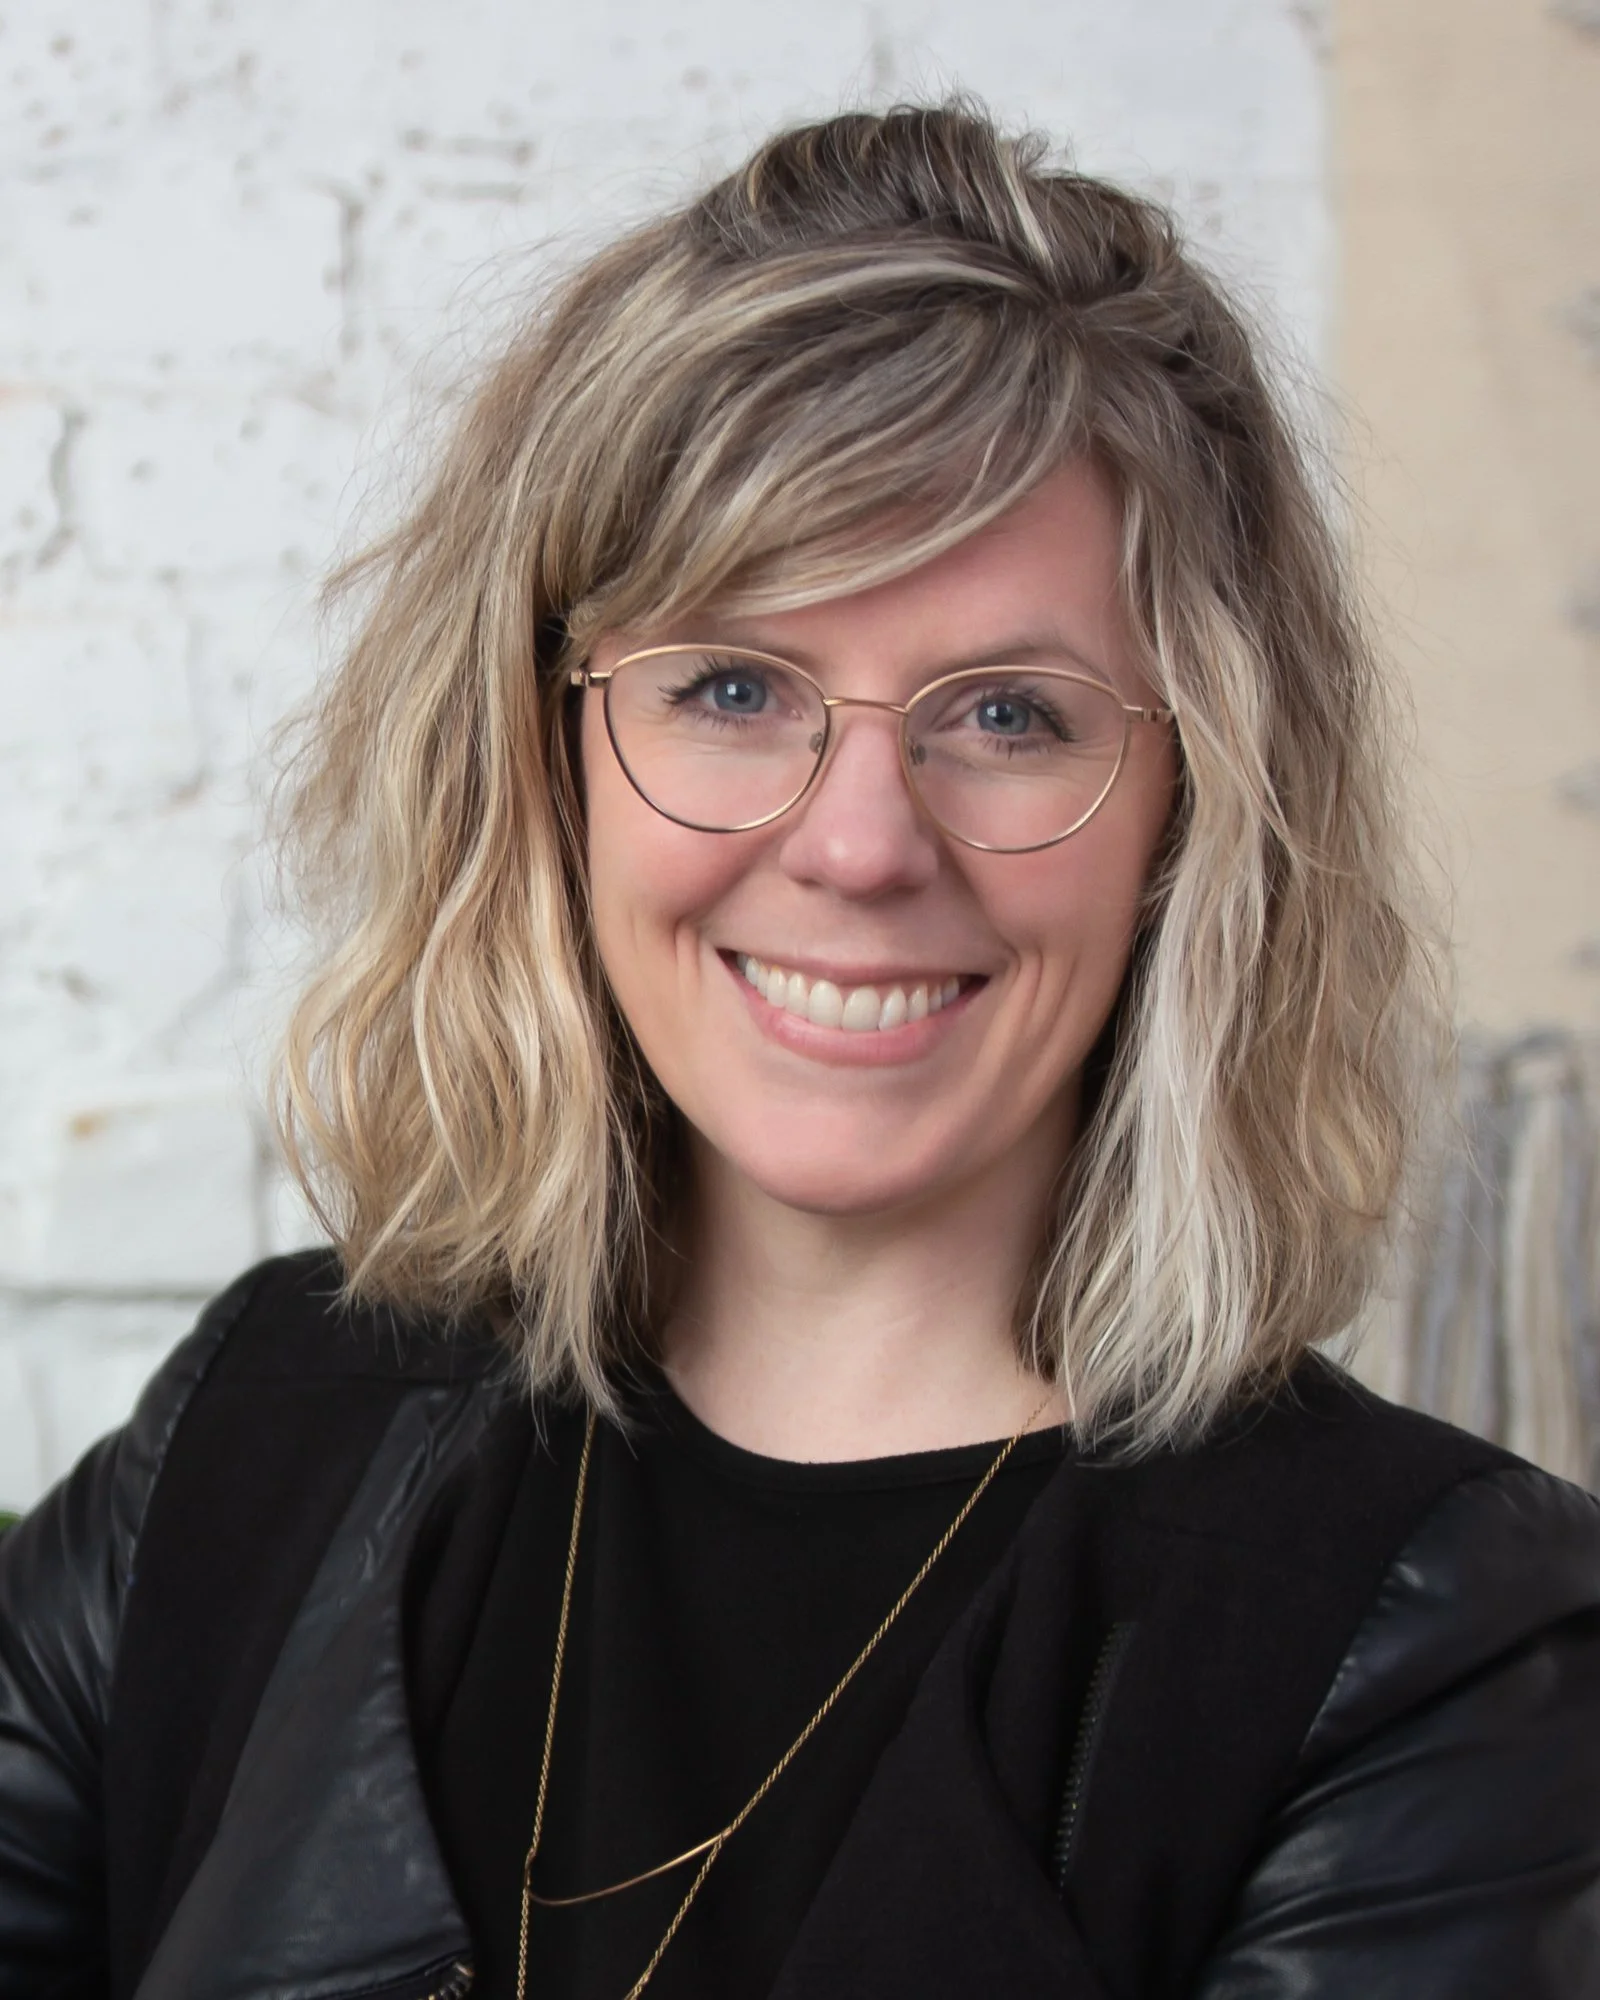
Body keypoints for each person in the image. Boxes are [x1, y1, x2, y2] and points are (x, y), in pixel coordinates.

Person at [2, 101, 1598, 2000]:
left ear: (1199, 807)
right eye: (732, 687)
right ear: (547, 757)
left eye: (1009, 712)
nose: (858, 844)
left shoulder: (1430, 1640)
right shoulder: (255, 1434)